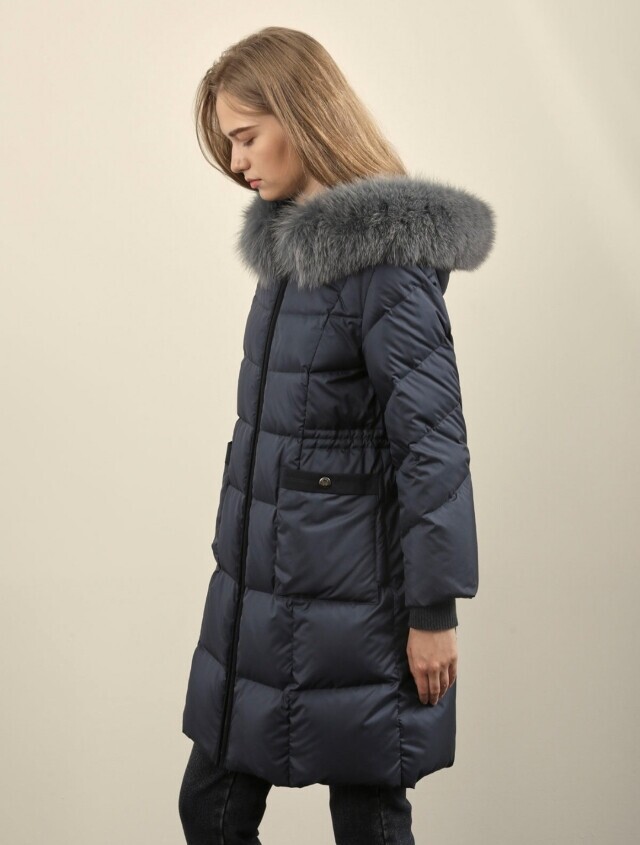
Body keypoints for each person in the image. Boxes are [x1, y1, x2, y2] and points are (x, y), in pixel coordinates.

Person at [179, 25, 495, 845]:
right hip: (263, 593)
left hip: (359, 605)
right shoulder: (290, 253)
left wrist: (434, 611)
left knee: (367, 820)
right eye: (229, 145)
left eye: (246, 136)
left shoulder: (386, 265)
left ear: (299, 113)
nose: (238, 163)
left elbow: (432, 446)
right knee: (211, 808)